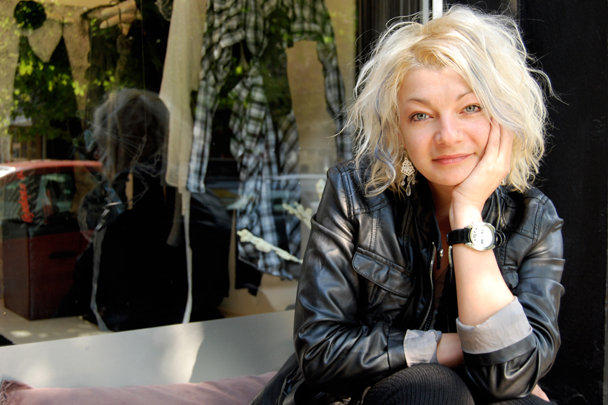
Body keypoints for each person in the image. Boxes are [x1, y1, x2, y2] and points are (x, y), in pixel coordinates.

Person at [252, 6, 564, 405]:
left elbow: (509, 376)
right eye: (420, 115)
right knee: (433, 389)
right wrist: (454, 345)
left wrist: (467, 213)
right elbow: (321, 350)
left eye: (470, 108)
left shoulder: (533, 220)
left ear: (503, 117)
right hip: (348, 397)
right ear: (397, 129)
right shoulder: (354, 195)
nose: (448, 135)